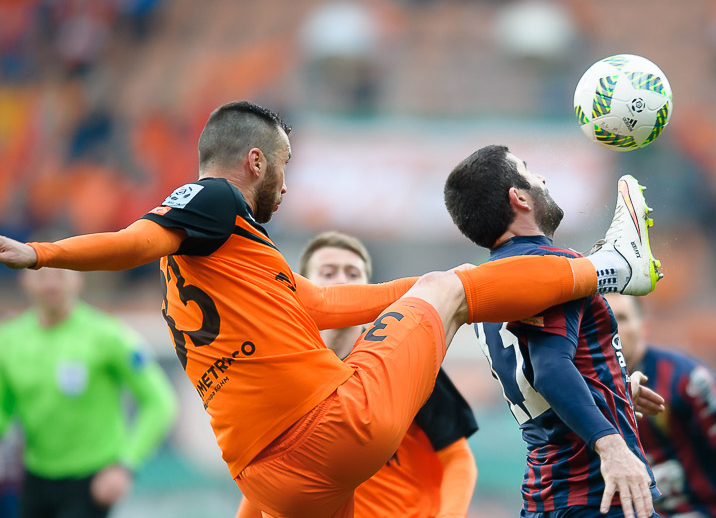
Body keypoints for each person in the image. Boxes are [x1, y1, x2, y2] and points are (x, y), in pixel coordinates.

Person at [0, 101, 661, 518]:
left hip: (272, 482)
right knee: (452, 289)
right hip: (332, 431)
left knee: (438, 288)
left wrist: (418, 286)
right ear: (254, 160)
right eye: (283, 168)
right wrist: (42, 253)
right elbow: (137, 239)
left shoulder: (222, 272)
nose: (285, 186)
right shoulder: (210, 200)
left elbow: (319, 304)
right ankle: (611, 267)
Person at [444, 144, 665, 518]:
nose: (542, 178)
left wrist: (612, 388)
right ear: (519, 198)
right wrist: (610, 445)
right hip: (595, 493)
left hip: (547, 495)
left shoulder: (485, 289)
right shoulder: (549, 270)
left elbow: (536, 378)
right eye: (529, 172)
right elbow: (549, 370)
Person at [237, 230, 479, 518]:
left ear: (368, 287)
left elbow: (457, 456)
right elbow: (270, 474)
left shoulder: (402, 356)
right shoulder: (285, 370)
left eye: (353, 273)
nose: (341, 280)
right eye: (328, 272)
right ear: (304, 286)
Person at [0, 267, 178, 518]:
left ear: (79, 280)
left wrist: (125, 465)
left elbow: (159, 402)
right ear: (24, 281)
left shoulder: (107, 335)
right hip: (35, 476)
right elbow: (3, 410)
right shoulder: (8, 341)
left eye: (60, 275)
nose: (51, 284)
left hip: (93, 480)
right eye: (41, 276)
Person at [605, 294, 716, 518]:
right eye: (603, 319)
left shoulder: (688, 380)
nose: (612, 328)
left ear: (644, 327)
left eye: (621, 318)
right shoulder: (584, 391)